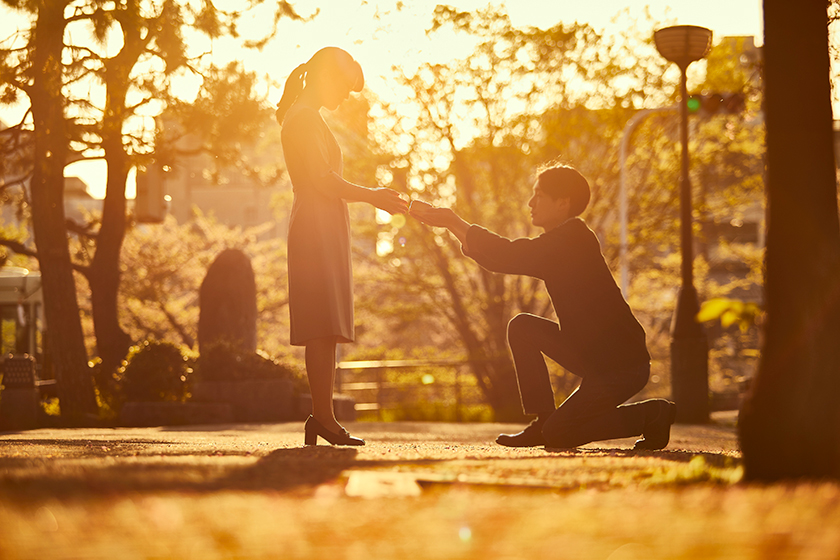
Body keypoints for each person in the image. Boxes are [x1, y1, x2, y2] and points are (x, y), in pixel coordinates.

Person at [409, 164, 676, 450]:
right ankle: (544, 420)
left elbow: (508, 253)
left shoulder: (571, 240)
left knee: (560, 435)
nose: (530, 203)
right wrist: (451, 225)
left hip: (621, 365)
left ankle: (651, 415)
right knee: (522, 327)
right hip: (590, 355)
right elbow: (500, 261)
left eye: (538, 195)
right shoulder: (560, 240)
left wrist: (452, 221)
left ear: (563, 203)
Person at [277, 47, 408, 446]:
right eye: (344, 87)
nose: (345, 98)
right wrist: (373, 195)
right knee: (320, 323)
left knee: (329, 326)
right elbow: (322, 179)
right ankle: (323, 419)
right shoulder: (300, 119)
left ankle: (323, 417)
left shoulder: (310, 118)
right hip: (315, 223)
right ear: (326, 78)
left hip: (326, 222)